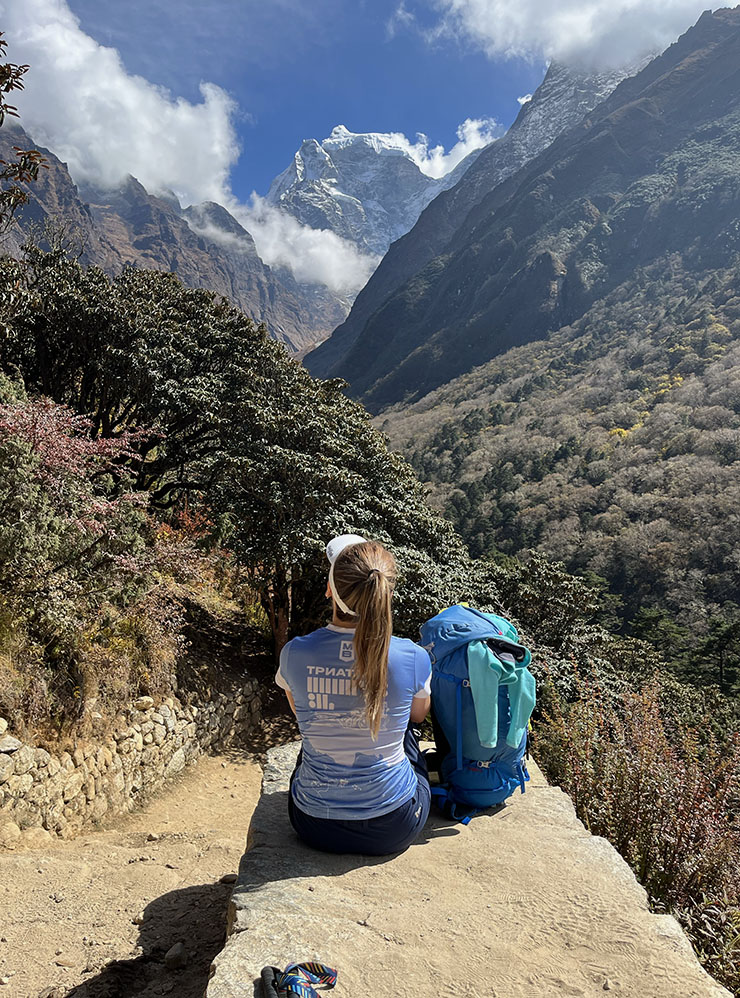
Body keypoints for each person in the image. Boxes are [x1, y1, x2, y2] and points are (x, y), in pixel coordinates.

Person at [275, 534, 432, 855]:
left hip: (312, 823)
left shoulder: (295, 653)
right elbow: (418, 716)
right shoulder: (412, 656)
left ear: (330, 590)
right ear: (386, 593)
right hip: (393, 826)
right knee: (408, 732)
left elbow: (302, 715)